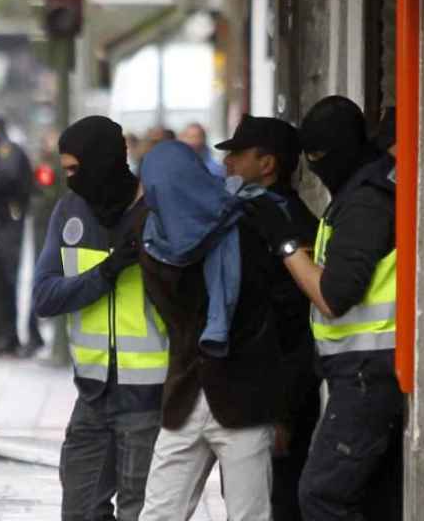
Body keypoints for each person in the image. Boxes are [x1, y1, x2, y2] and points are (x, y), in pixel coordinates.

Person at [247, 96, 401, 521]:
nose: (313, 166)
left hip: (368, 375)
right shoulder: (361, 189)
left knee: (321, 496)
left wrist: (286, 244)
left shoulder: (366, 201)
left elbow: (333, 296)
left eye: (317, 157)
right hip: (362, 370)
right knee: (374, 500)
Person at [137, 140, 283, 521]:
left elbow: (277, 315)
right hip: (185, 397)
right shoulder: (154, 242)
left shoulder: (245, 224)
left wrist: (284, 406)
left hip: (244, 398)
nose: (160, 197)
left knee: (250, 514)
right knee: (158, 513)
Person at [33, 116, 168, 521]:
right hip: (91, 395)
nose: (70, 180)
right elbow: (44, 295)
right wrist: (106, 273)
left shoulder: (157, 209)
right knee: (80, 511)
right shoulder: (69, 211)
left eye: (75, 169)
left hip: (148, 397)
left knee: (138, 513)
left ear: (102, 161)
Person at [215, 115, 321, 521]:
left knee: (274, 501)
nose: (228, 164)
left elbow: (294, 325)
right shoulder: (250, 216)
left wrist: (283, 412)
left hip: (275, 396)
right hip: (249, 390)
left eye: (238, 155)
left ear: (268, 164)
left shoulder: (283, 224)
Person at [0, 115, 43, 356]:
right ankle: (11, 336)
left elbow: (8, 177)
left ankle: (18, 336)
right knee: (7, 281)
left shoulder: (6, 150)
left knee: (13, 279)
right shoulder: (2, 150)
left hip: (12, 221)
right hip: (7, 222)